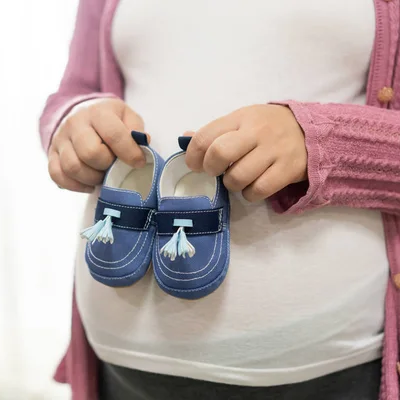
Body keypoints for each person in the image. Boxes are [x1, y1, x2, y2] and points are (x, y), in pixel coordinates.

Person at [39, 1, 400, 399]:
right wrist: (74, 122)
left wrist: (324, 140)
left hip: (326, 364)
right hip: (123, 358)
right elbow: (76, 92)